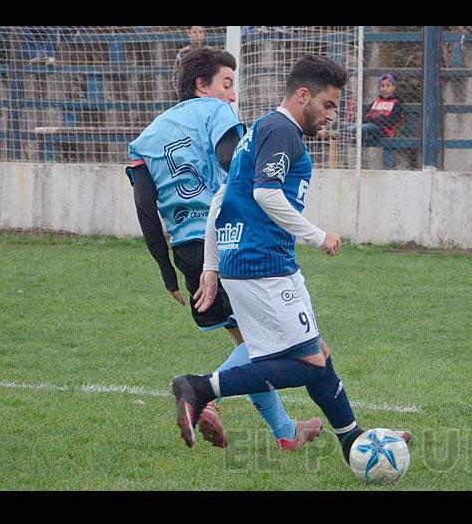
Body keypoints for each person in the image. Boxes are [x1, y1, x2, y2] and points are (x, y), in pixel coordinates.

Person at [174, 54, 410, 463]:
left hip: (245, 262)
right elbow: (267, 193)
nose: (332, 115)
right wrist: (318, 236)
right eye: (329, 105)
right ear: (304, 95)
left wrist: (212, 265)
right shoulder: (282, 131)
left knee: (316, 351)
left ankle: (350, 437)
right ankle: (200, 388)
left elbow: (220, 199)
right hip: (263, 264)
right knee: (310, 363)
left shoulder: (259, 130)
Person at [126, 46, 321, 451]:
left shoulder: (147, 137)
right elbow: (234, 163)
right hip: (229, 241)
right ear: (202, 86)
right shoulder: (214, 112)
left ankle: (285, 432)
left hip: (186, 252)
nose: (233, 95)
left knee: (248, 343)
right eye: (227, 84)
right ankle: (202, 394)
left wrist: (167, 275)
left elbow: (145, 208)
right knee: (286, 343)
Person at [318, 73, 405, 142]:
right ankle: (331, 131)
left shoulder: (396, 103)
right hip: (366, 125)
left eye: (388, 86)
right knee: (344, 124)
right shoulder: (376, 102)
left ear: (393, 88)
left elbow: (389, 121)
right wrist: (375, 119)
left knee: (366, 127)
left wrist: (374, 119)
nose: (385, 89)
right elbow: (365, 116)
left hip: (382, 130)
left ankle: (338, 134)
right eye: (382, 86)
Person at [172, 26, 206, 96]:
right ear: (189, 33)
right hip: (188, 92)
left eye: (200, 32)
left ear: (203, 34)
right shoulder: (183, 53)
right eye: (194, 32)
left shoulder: (209, 53)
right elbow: (175, 76)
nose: (197, 35)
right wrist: (181, 93)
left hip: (205, 92)